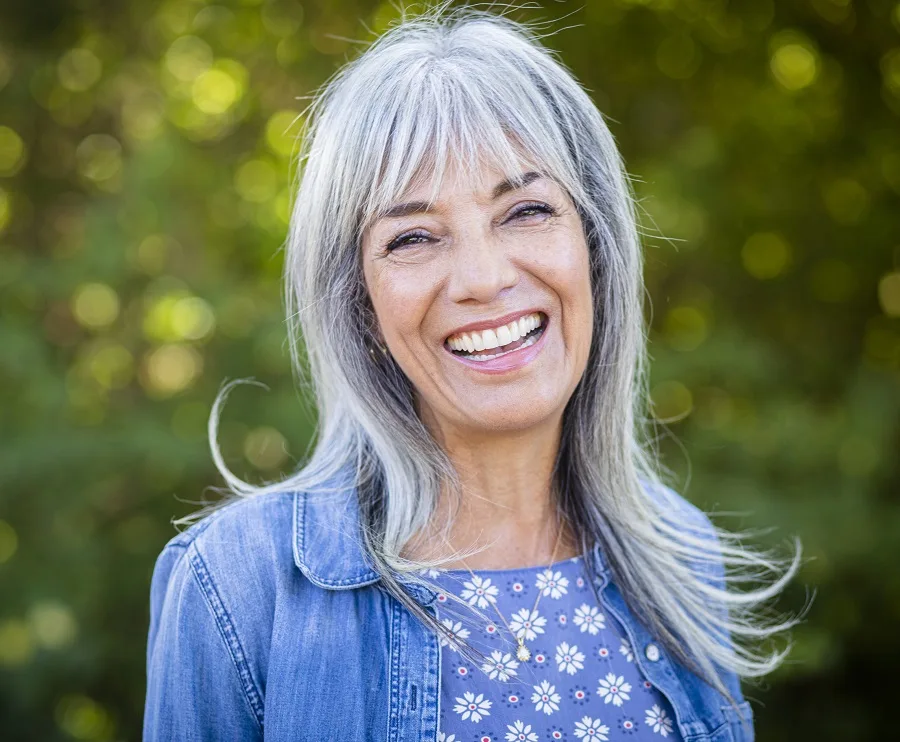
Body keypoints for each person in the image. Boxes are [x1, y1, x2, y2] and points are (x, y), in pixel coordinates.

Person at [143, 6, 800, 741]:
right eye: (414, 237)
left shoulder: (683, 556)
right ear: (359, 301)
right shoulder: (237, 583)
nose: (484, 279)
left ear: (595, 250)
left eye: (525, 210)